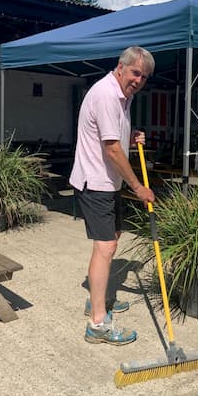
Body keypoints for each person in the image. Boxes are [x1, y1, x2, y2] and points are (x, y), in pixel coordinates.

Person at [69, 46, 155, 345]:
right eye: (135, 73)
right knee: (105, 247)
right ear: (121, 67)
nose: (138, 80)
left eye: (144, 76)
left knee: (112, 239)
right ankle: (97, 324)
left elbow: (113, 137)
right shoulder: (107, 94)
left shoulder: (123, 95)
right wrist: (138, 187)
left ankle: (98, 299)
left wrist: (131, 136)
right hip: (96, 182)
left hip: (109, 181)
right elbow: (111, 149)